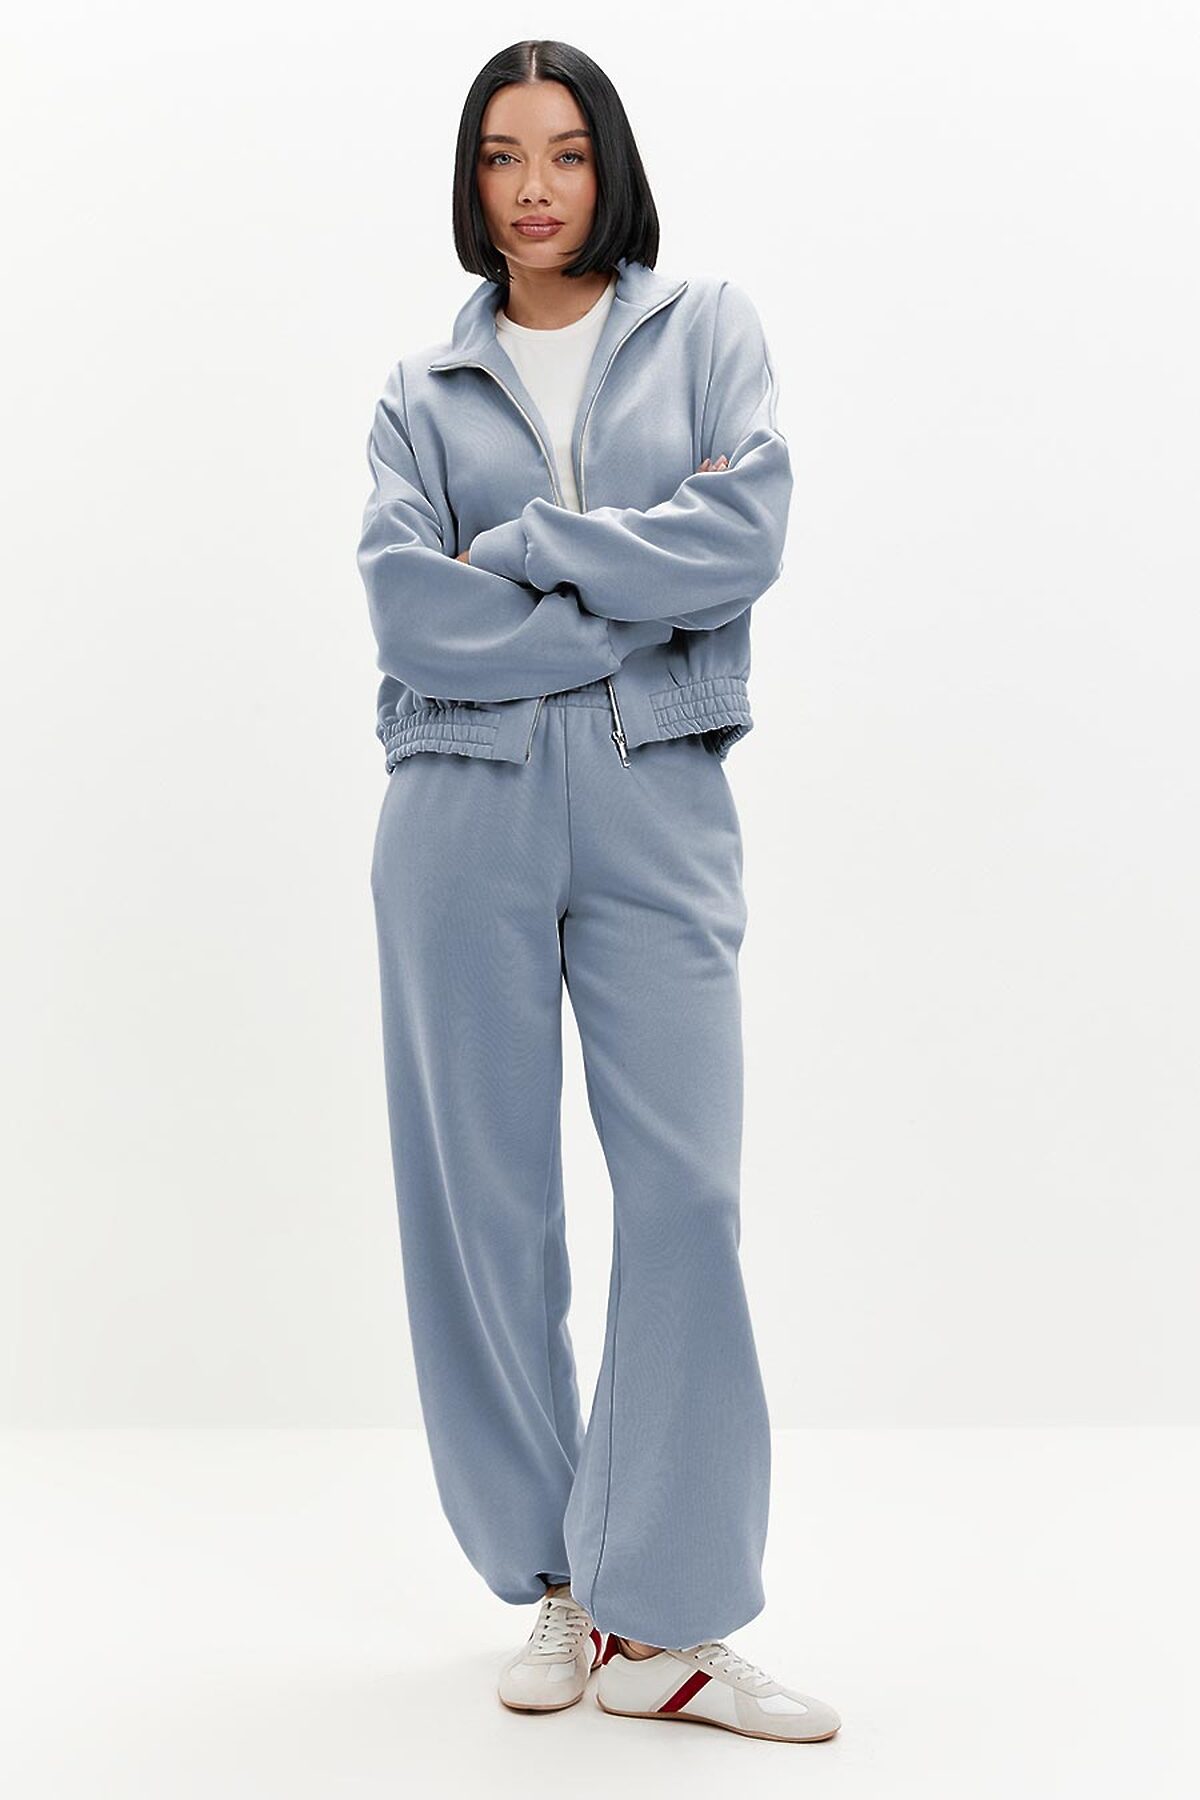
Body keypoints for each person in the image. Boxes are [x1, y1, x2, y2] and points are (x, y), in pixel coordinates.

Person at [356, 39, 841, 1745]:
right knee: (486, 1214)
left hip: (658, 798)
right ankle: (559, 1584)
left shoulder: (708, 330)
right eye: (503, 156)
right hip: (459, 806)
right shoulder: (421, 392)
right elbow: (408, 613)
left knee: (686, 1193)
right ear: (473, 180)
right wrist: (638, 587)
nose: (537, 187)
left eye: (565, 152)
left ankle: (669, 1618)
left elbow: (746, 534)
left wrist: (531, 552)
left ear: (609, 164)